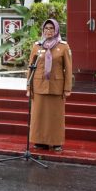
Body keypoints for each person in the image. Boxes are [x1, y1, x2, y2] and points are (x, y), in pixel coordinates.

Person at [27, 19, 73, 152]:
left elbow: (68, 69)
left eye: (51, 29)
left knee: (55, 116)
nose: (48, 31)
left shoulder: (63, 47)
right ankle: (40, 141)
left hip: (56, 87)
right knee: (39, 115)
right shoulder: (37, 46)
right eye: (46, 28)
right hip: (39, 85)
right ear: (43, 30)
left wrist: (67, 88)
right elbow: (31, 68)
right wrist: (28, 87)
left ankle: (56, 141)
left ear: (56, 30)